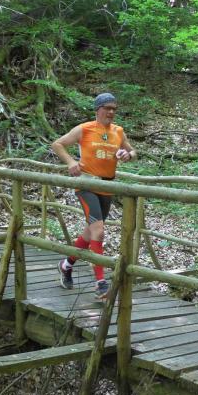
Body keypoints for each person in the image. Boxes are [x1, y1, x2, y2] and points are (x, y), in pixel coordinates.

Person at [50, 93, 136, 299]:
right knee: (99, 231)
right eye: (107, 108)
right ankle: (101, 283)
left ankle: (66, 264)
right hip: (87, 184)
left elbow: (133, 152)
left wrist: (128, 155)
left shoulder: (118, 131)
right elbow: (57, 144)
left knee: (90, 233)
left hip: (107, 186)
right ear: (97, 109)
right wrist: (71, 162)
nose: (111, 112)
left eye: (114, 108)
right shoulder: (85, 129)